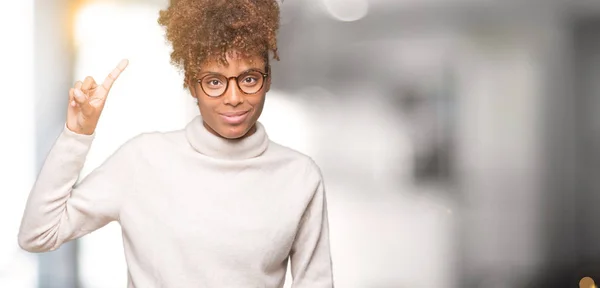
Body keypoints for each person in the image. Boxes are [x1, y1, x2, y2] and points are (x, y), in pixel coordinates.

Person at [17, 0, 334, 287]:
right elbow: (38, 233)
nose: (234, 98)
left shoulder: (300, 177)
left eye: (249, 78)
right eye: (214, 82)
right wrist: (77, 135)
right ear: (191, 85)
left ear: (267, 78)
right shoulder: (142, 161)